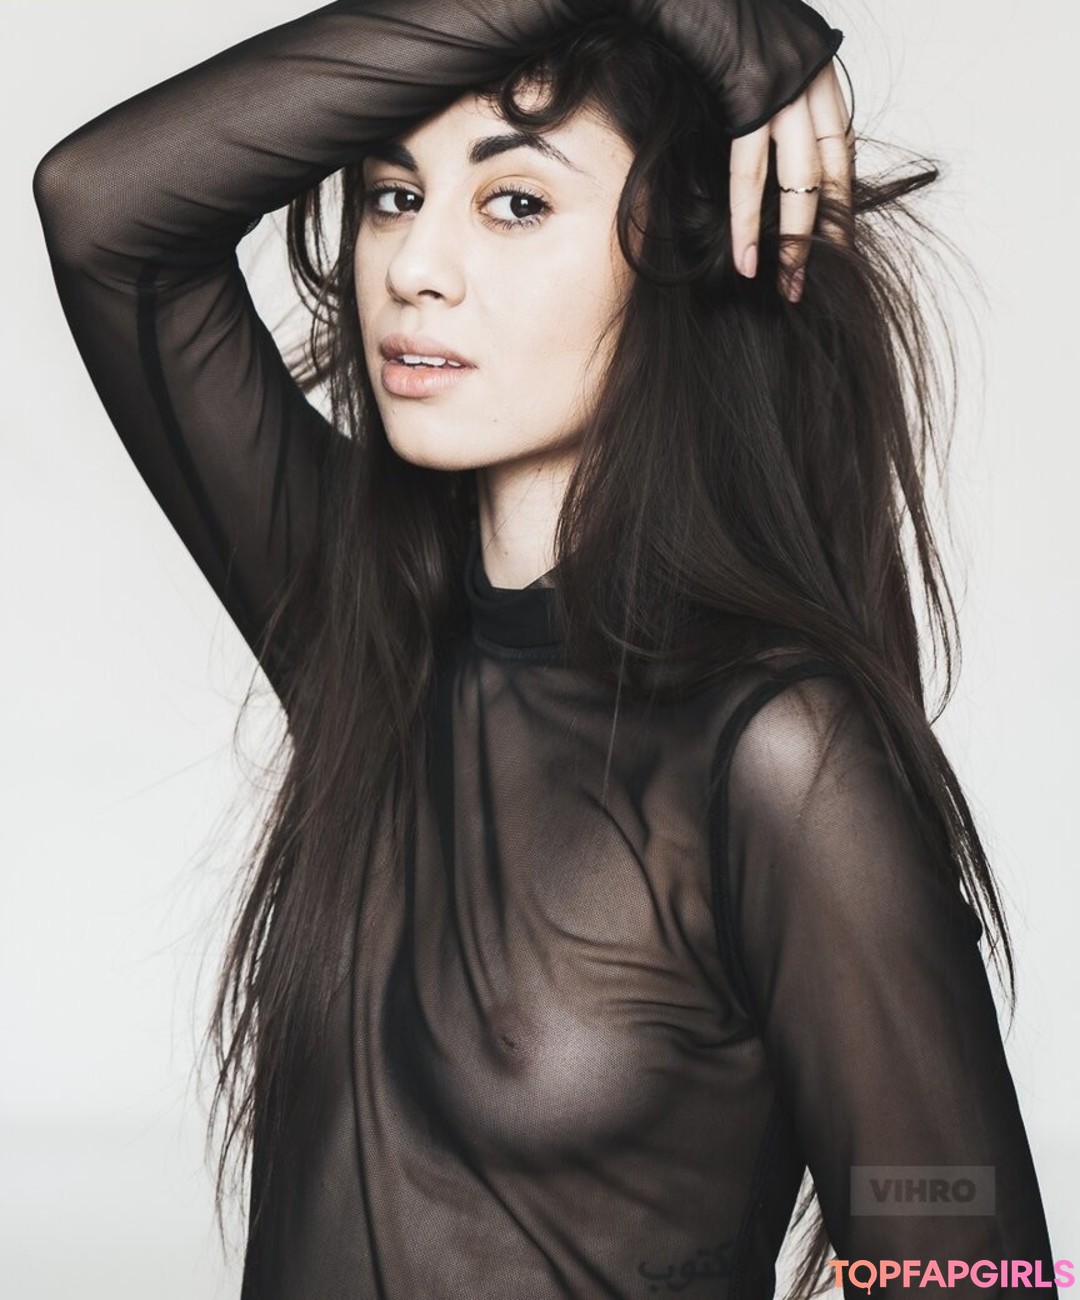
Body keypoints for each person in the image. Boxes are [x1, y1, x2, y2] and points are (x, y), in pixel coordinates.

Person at [32, 1, 1059, 1296]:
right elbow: (103, 209)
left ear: (681, 249)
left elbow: (968, 1258)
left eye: (515, 204)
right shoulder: (366, 625)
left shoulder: (776, 754)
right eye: (394, 195)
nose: (416, 267)